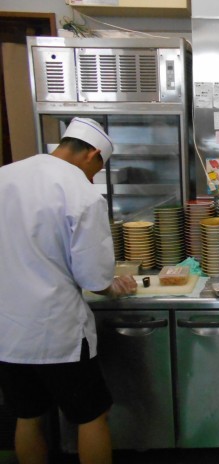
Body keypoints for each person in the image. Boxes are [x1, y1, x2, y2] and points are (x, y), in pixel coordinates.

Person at [0, 117, 137, 464]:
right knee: (92, 417)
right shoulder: (80, 192)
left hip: (8, 331)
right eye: (97, 169)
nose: (93, 177)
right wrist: (114, 287)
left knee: (28, 416)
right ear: (91, 153)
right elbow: (94, 277)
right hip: (57, 332)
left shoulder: (5, 176)